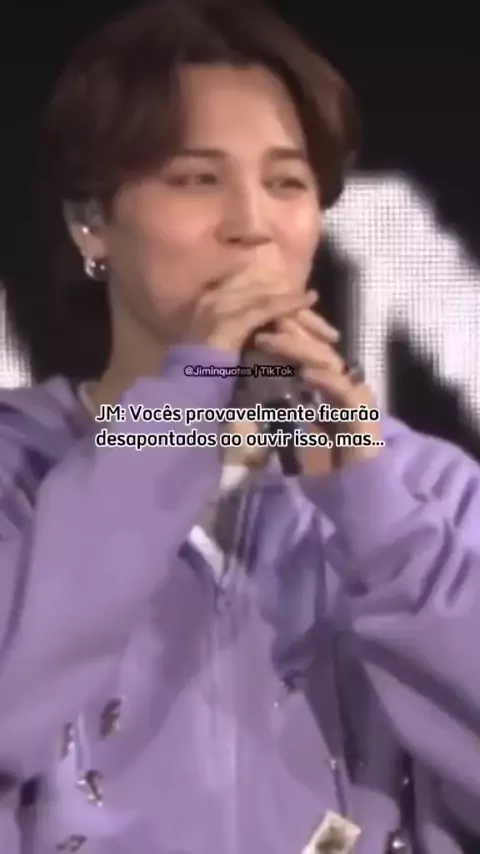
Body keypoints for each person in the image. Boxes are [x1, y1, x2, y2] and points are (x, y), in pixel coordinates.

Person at [0, 1, 479, 852]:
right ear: (91, 222)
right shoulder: (17, 471)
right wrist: (184, 403)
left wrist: (379, 520)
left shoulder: (429, 492)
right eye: (196, 179)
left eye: (287, 183)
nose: (251, 224)